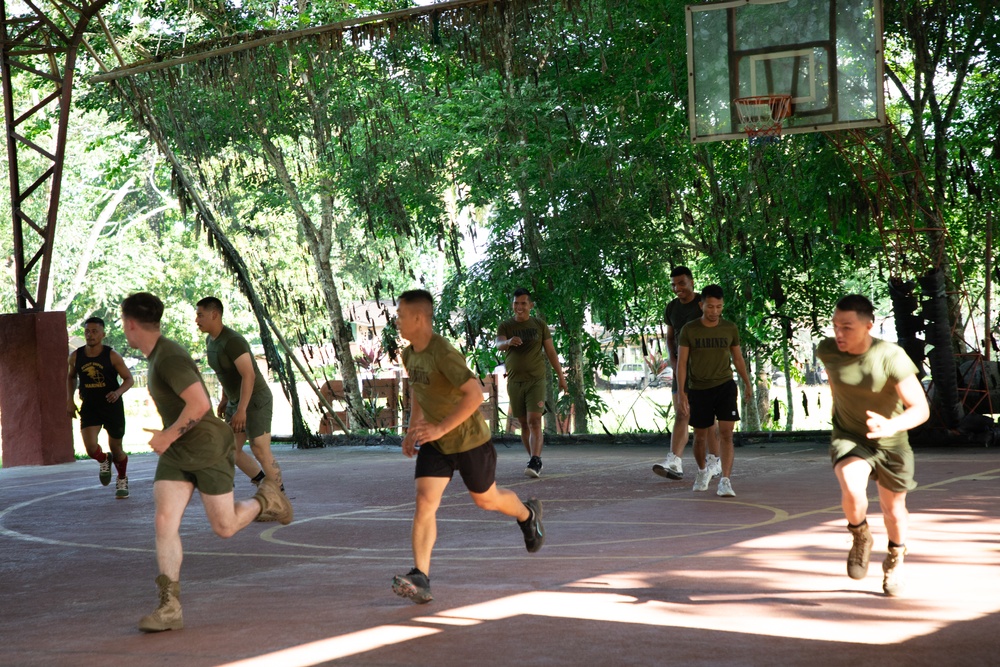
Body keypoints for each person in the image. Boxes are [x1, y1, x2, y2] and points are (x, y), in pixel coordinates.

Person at [121, 292, 292, 632]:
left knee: (224, 526)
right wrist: (172, 439)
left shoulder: (168, 356)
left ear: (130, 325)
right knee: (164, 520)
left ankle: (266, 499)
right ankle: (169, 606)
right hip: (178, 452)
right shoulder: (156, 356)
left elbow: (198, 404)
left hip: (207, 446)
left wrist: (167, 436)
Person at [392, 289, 544, 604]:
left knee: (486, 500)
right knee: (424, 503)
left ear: (419, 318)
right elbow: (421, 393)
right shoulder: (409, 355)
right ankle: (420, 576)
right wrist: (413, 429)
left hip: (470, 441)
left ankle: (527, 514)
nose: (397, 320)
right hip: (436, 444)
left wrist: (439, 427)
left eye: (401, 315)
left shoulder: (443, 352)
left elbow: (475, 394)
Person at [815, 294, 929, 597]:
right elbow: (837, 385)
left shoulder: (891, 356)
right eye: (835, 326)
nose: (839, 333)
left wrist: (891, 425)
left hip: (891, 441)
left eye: (847, 327)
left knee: (894, 510)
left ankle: (895, 557)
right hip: (850, 436)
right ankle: (860, 534)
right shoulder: (827, 350)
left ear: (868, 325)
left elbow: (920, 408)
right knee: (852, 487)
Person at [195, 297, 282, 491]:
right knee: (229, 449)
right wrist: (226, 399)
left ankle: (279, 496)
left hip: (256, 399)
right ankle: (265, 486)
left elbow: (248, 374)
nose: (197, 320)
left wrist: (242, 409)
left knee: (260, 448)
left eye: (200, 315)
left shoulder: (233, 341)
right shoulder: (211, 340)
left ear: (214, 314)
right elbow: (224, 373)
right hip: (236, 400)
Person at [675, 284, 752, 497]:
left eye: (719, 307)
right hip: (699, 389)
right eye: (710, 307)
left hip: (725, 386)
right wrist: (682, 393)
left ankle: (725, 481)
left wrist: (747, 382)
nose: (714, 312)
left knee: (726, 434)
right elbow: (682, 363)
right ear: (701, 305)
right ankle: (702, 471)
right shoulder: (689, 329)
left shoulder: (730, 328)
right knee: (700, 437)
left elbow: (737, 358)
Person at [653, 266, 721, 481]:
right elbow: (670, 338)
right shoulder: (671, 308)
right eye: (673, 284)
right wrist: (674, 361)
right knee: (682, 412)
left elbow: (716, 329)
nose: (677, 288)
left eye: (681, 283)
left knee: (708, 419)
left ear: (692, 281)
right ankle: (674, 461)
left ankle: (715, 461)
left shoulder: (704, 303)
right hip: (683, 369)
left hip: (706, 369)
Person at [496, 287, 568, 477]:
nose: (519, 307)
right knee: (523, 424)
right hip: (514, 381)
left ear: (531, 305)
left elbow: (551, 352)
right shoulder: (505, 326)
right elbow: (499, 344)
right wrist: (509, 341)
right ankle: (534, 460)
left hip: (536, 379)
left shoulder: (539, 325)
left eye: (523, 303)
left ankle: (535, 460)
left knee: (534, 420)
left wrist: (561, 376)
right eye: (516, 303)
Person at [67, 317, 135, 499]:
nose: (90, 335)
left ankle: (122, 478)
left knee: (117, 448)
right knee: (90, 448)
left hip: (111, 406)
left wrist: (118, 392)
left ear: (103, 334)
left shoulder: (111, 355)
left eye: (95, 331)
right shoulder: (76, 356)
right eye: (87, 331)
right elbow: (71, 377)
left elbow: (129, 379)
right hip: (90, 405)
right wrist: (69, 400)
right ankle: (104, 460)